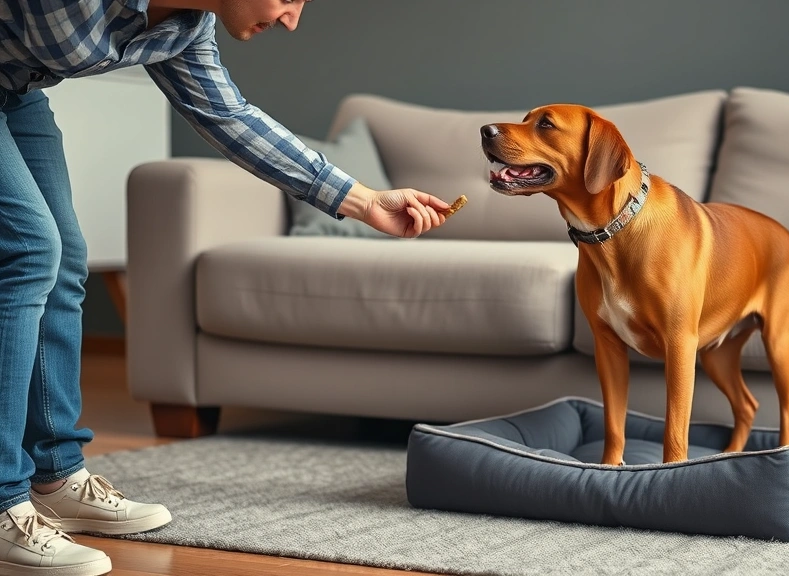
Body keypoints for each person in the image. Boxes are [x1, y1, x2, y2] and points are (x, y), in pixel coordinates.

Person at [0, 1, 451, 574]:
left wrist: (364, 201)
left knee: (66, 260)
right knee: (30, 250)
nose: (292, 19)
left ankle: (56, 472)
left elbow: (231, 117)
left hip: (16, 90)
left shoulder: (185, 30)